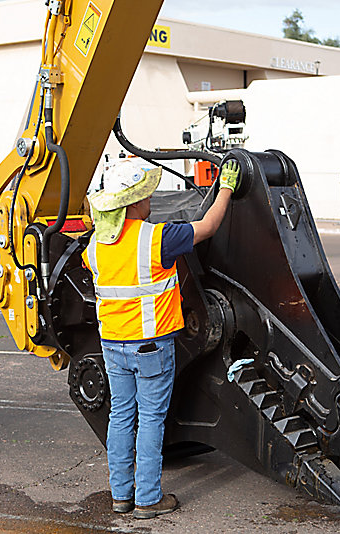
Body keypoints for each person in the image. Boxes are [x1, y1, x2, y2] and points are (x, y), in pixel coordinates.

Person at [82, 158, 239, 518]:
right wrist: (226, 186)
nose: (150, 199)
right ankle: (148, 499)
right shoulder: (158, 238)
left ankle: (121, 494)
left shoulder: (94, 248)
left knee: (121, 416)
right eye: (145, 194)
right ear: (135, 203)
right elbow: (210, 225)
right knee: (151, 419)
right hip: (150, 345)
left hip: (113, 346)